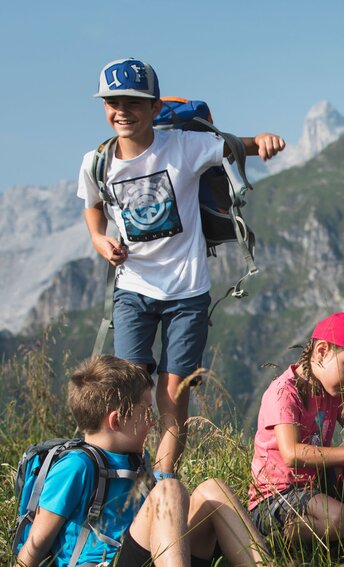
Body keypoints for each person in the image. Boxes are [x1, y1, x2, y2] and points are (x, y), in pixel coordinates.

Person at [77, 58, 287, 478]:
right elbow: (93, 210)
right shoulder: (97, 162)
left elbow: (231, 146)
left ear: (155, 109)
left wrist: (260, 140)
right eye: (112, 102)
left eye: (133, 102)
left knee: (174, 391)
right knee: (129, 388)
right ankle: (129, 472)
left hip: (187, 294)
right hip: (133, 290)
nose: (122, 110)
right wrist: (101, 241)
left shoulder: (182, 148)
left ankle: (164, 475)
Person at [5, 355, 282, 567]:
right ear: (115, 420)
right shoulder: (76, 466)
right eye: (145, 412)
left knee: (212, 489)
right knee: (169, 488)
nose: (152, 422)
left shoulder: (136, 459)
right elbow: (36, 542)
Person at [248, 313, 344, 550]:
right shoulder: (284, 393)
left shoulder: (334, 394)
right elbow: (291, 453)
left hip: (311, 491)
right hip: (274, 497)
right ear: (321, 351)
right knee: (340, 520)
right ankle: (268, 541)